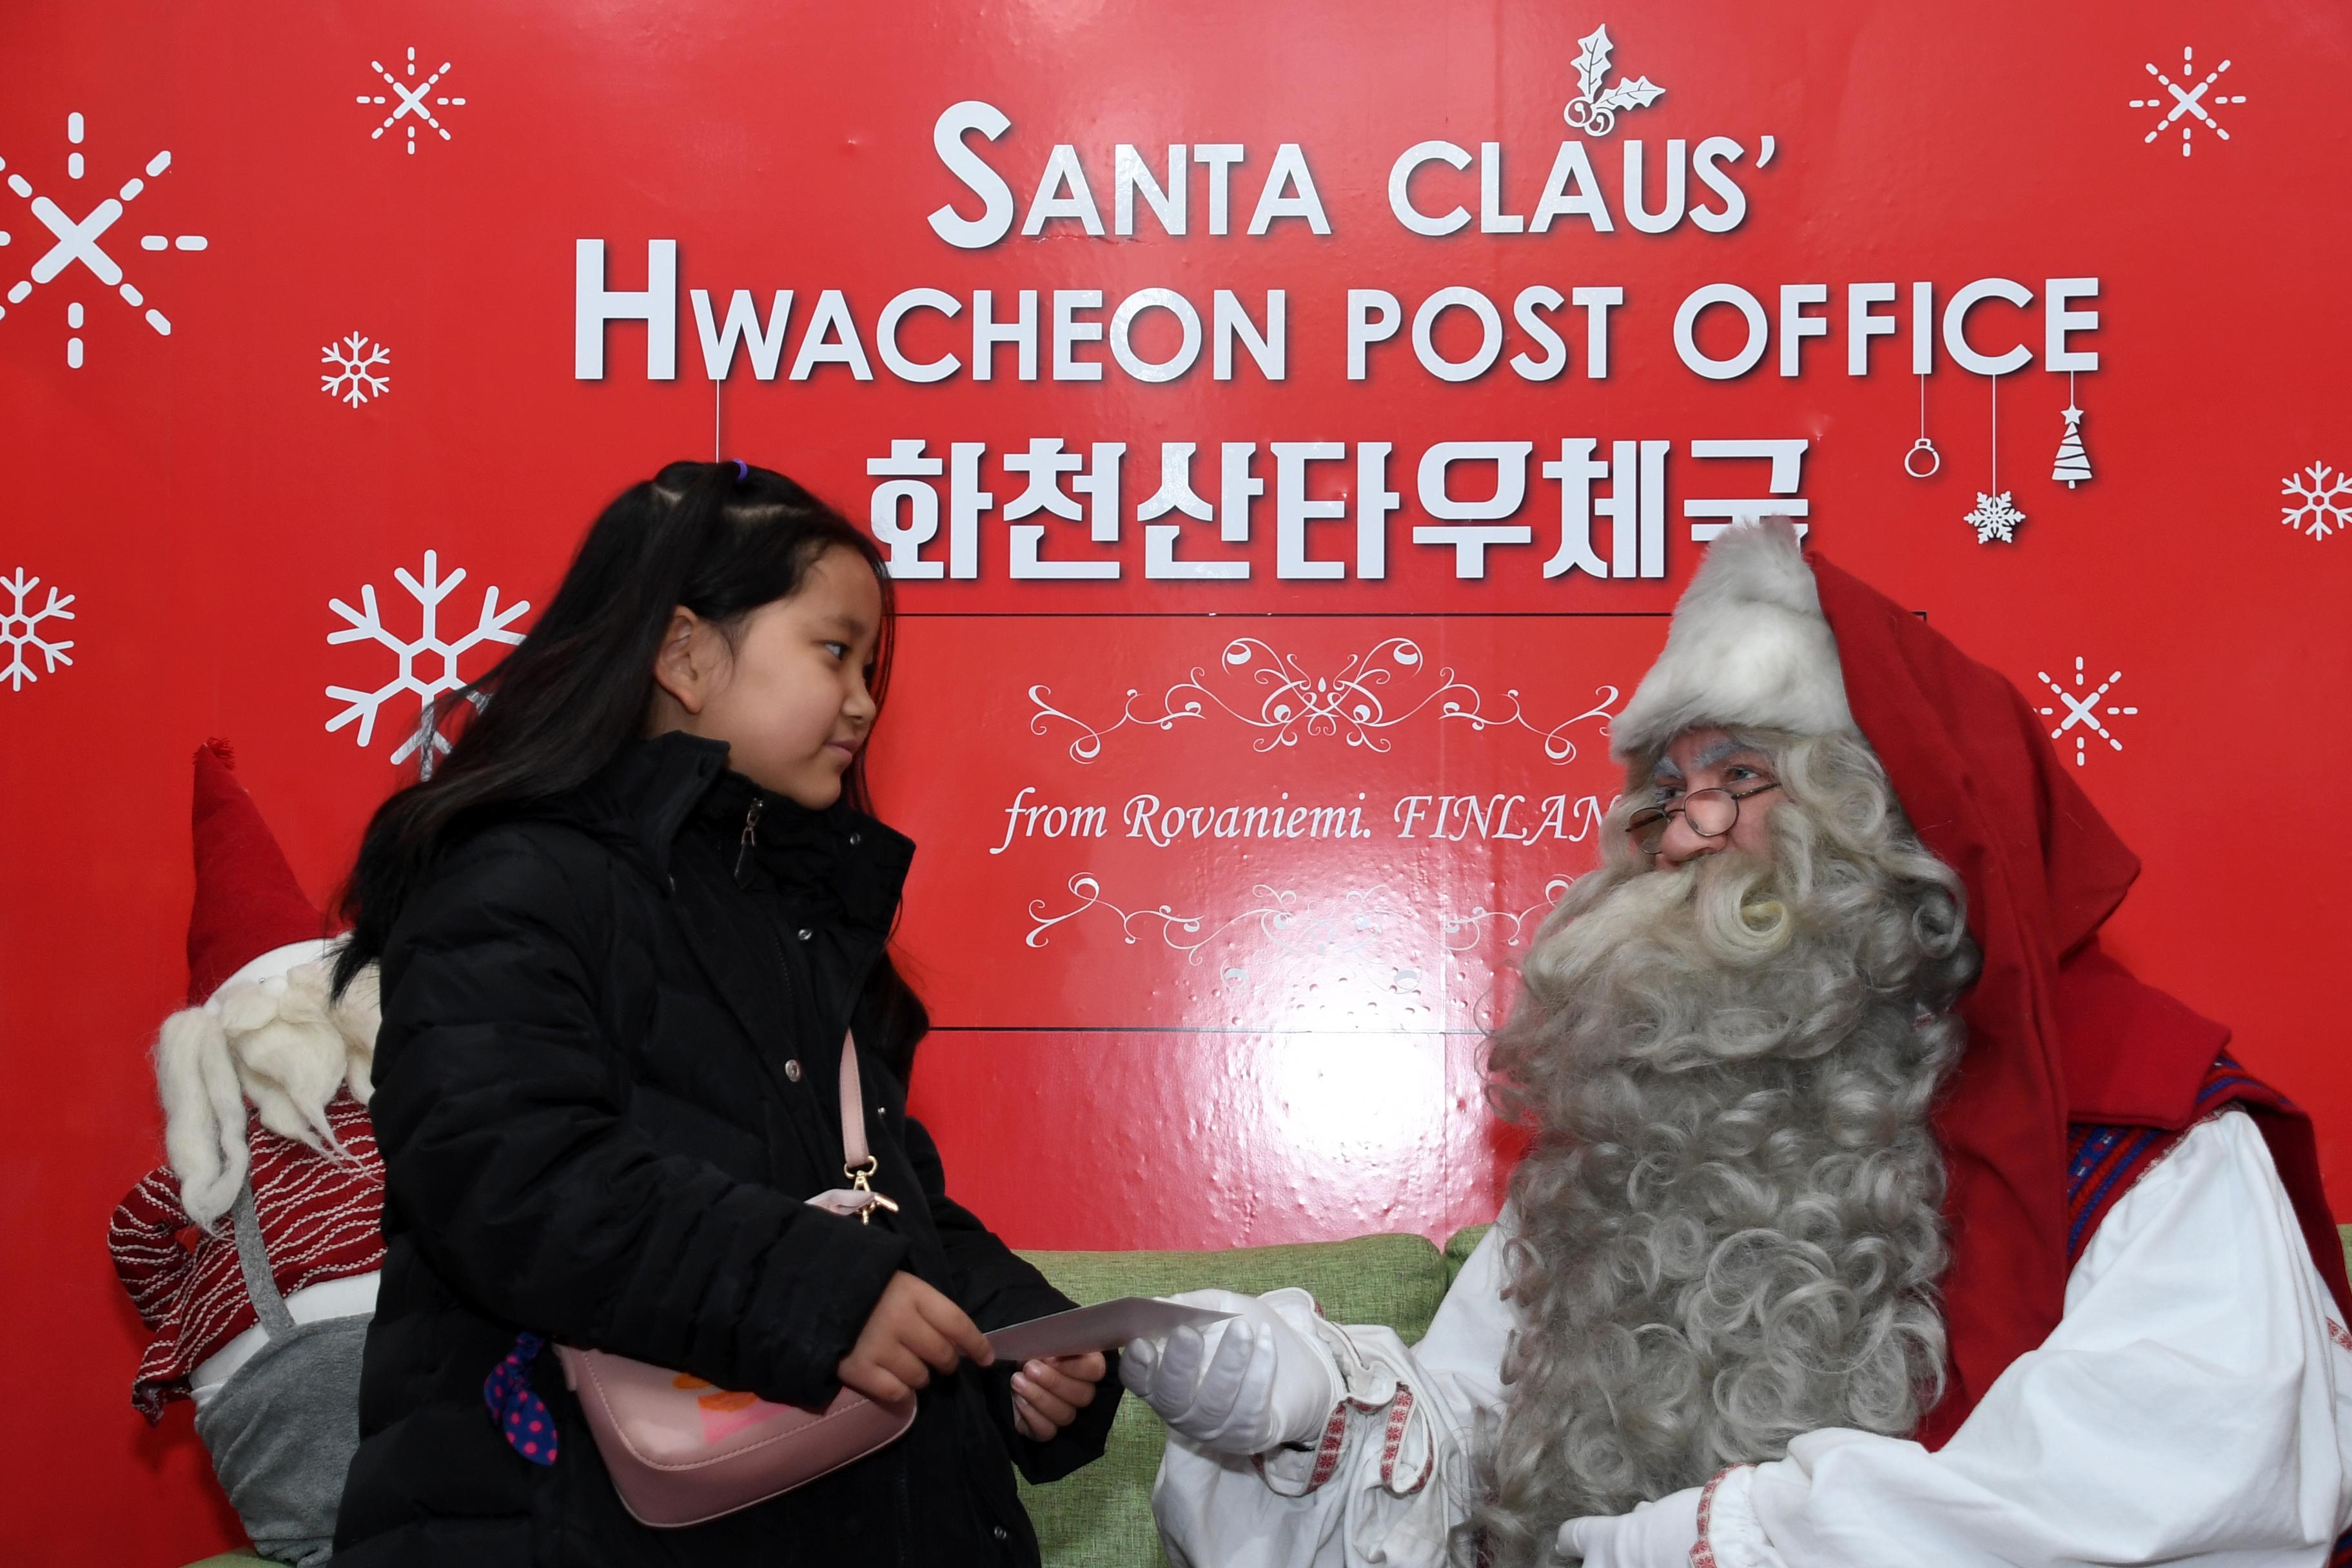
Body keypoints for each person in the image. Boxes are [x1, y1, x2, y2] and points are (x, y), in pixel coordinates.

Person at [1124, 520, 2352, 1567]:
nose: (1684, 831)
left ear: (1887, 815)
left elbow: (2169, 1484)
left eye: (1740, 777)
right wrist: (1304, 1416)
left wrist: (1708, 1540)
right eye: (1662, 794)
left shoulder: (2139, 1139)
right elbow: (1468, 1472)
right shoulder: (1628, 1139)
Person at [326, 460, 1118, 1567]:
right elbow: (508, 1171)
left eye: (872, 666)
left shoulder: (804, 918)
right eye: (836, 651)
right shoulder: (516, 883)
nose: (864, 701)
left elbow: (884, 1203)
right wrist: (828, 1296)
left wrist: (1022, 1342)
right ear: (687, 655)